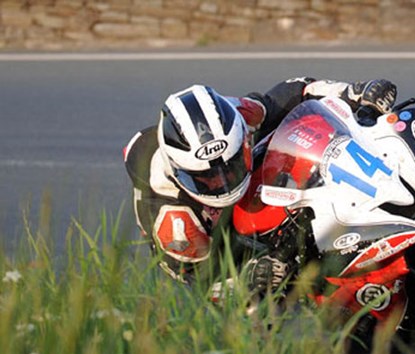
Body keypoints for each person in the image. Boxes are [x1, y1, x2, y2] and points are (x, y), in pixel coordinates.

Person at [123, 78, 398, 293]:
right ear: (178, 171)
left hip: (243, 193)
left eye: (231, 167)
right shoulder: (176, 223)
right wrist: (250, 275)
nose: (223, 182)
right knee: (262, 299)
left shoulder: (239, 116)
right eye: (208, 178)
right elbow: (205, 284)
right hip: (208, 253)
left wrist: (355, 93)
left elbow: (298, 90)